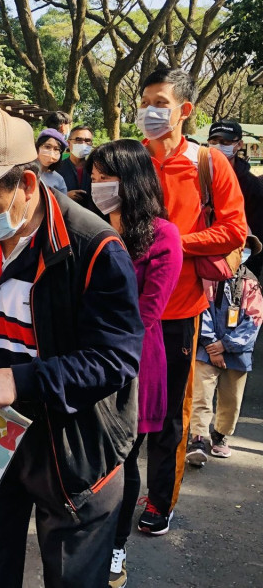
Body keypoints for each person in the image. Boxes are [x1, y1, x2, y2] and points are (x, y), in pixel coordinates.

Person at [0, 109, 144, 588]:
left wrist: (19, 380)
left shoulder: (95, 248)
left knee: (71, 577)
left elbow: (116, 358)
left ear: (26, 183)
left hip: (73, 442)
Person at [136, 68, 246, 535]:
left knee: (168, 417)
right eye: (144, 101)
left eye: (159, 101)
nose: (149, 111)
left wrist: (174, 242)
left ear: (185, 110)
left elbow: (235, 230)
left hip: (179, 312)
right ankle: (112, 494)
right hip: (127, 309)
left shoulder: (208, 164)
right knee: (121, 406)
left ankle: (161, 500)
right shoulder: (134, 159)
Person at [87, 140, 183, 588]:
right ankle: (87, 538)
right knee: (90, 458)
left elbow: (149, 310)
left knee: (123, 460)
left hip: (133, 362)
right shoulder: (90, 224)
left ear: (132, 179)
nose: (97, 185)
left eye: (106, 176)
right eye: (94, 176)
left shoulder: (164, 235)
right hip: (85, 358)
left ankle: (116, 547)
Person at [186, 234, 262, 465]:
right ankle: (198, 437)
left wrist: (225, 345)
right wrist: (211, 345)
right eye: (235, 247)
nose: (239, 252)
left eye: (243, 248)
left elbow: (255, 318)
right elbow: (201, 308)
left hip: (238, 352)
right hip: (206, 349)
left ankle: (221, 435)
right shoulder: (208, 276)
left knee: (232, 398)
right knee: (202, 393)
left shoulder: (251, 282)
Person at [207, 120, 263, 278]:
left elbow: (257, 233)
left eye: (225, 142)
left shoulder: (252, 185)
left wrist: (250, 273)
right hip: (204, 255)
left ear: (239, 144)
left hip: (240, 260)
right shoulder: (199, 174)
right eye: (214, 141)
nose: (219, 146)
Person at [57, 124, 93, 203]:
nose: (83, 143)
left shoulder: (95, 168)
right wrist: (65, 196)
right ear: (69, 144)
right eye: (78, 139)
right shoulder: (57, 168)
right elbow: (48, 195)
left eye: (87, 140)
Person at [35, 127, 68, 193]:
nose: (51, 152)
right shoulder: (23, 171)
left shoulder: (58, 179)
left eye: (56, 149)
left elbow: (60, 202)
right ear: (37, 147)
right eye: (47, 147)